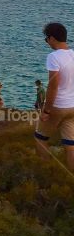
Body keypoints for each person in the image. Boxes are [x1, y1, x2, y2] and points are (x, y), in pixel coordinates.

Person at [34, 22, 74, 170]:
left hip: (58, 106)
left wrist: (46, 111)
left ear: (52, 38)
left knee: (40, 139)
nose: (47, 42)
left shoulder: (53, 57)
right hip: (73, 107)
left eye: (46, 39)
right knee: (70, 145)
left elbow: (53, 86)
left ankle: (45, 172)